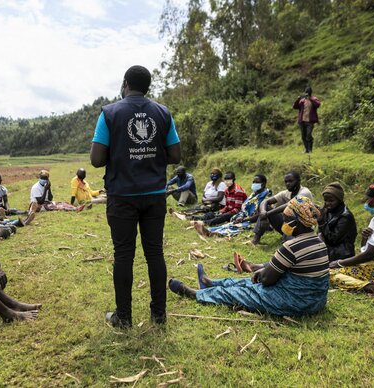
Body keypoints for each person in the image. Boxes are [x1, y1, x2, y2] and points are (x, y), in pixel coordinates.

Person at [90, 65, 180, 328]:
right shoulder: (163, 113)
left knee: (123, 255)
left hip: (122, 195)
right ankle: (159, 315)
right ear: (148, 87)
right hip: (154, 194)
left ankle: (124, 318)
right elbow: (175, 156)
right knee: (155, 253)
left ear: (125, 83)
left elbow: (96, 160)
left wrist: (121, 150)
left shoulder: (109, 113)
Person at [170, 196, 328, 316]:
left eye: (287, 219)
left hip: (296, 301)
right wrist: (264, 272)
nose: (284, 222)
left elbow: (267, 281)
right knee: (246, 281)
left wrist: (262, 274)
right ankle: (210, 283)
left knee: (241, 292)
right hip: (316, 301)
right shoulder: (319, 241)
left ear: (297, 222)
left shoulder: (291, 246)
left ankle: (195, 293)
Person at [329, 184, 374, 299]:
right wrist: (364, 238)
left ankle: (371, 287)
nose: (366, 201)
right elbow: (365, 249)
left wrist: (340, 262)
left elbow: (369, 254)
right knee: (338, 270)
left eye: (368, 199)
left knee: (330, 274)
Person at [195, 174, 272, 237]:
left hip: (255, 220)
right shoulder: (254, 194)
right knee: (227, 221)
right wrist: (239, 216)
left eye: (257, 182)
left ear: (263, 183)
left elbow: (260, 214)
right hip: (242, 216)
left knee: (234, 226)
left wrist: (243, 219)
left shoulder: (266, 196)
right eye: (253, 182)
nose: (254, 184)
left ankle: (212, 232)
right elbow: (243, 208)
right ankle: (209, 229)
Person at [253, 171, 314, 245]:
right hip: (287, 225)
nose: (288, 184)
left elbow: (290, 204)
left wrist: (267, 214)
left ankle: (288, 241)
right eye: (286, 182)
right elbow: (265, 201)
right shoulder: (286, 193)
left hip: (302, 228)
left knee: (290, 215)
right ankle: (255, 240)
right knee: (266, 208)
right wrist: (263, 212)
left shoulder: (304, 192)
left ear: (298, 181)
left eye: (291, 181)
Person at [318, 182, 357, 262]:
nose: (328, 204)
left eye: (331, 201)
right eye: (326, 200)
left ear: (339, 200)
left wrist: (322, 222)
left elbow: (333, 240)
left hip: (342, 257)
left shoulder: (345, 216)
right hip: (327, 253)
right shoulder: (327, 211)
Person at [293, 86, 321, 153]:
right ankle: (306, 149)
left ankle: (310, 149)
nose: (307, 94)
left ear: (310, 93)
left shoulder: (314, 99)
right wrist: (298, 99)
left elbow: (318, 104)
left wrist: (310, 99)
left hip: (310, 121)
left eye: (308, 93)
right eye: (306, 93)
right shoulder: (302, 101)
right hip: (302, 121)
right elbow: (294, 106)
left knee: (308, 135)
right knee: (303, 136)